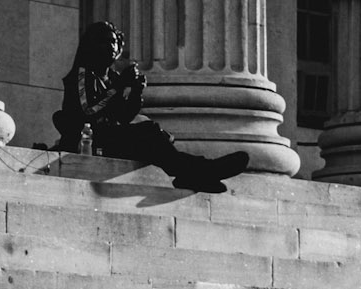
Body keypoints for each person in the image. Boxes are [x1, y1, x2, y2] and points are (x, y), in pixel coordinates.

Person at [53, 21, 251, 194]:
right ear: (92, 46)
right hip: (89, 141)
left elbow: (123, 116)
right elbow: (89, 111)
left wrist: (136, 92)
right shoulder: (82, 75)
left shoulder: (112, 77)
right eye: (104, 41)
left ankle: (194, 174)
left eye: (114, 42)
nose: (110, 46)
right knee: (150, 132)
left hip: (108, 138)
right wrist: (120, 86)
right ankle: (201, 170)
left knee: (151, 135)